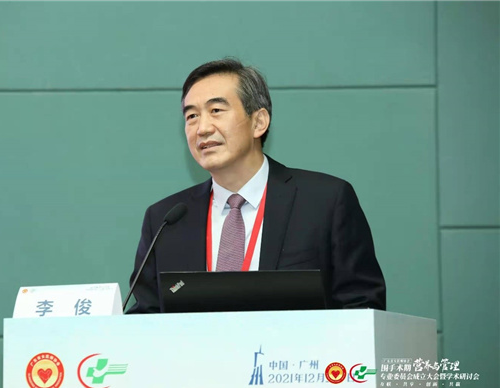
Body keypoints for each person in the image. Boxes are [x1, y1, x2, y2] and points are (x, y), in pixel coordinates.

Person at [126, 59, 385, 314]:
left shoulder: (325, 202)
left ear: (259, 122)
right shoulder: (165, 221)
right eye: (192, 116)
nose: (202, 129)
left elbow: (362, 306)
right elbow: (145, 318)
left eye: (216, 110)